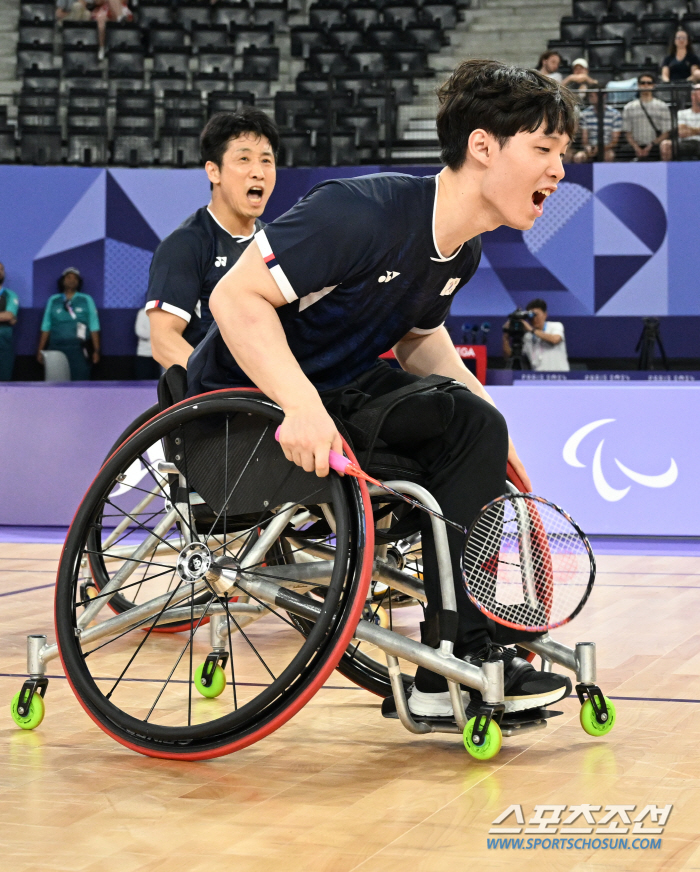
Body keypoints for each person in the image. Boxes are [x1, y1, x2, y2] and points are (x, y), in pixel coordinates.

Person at [189, 60, 577, 720]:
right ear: (483, 147)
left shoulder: (462, 251)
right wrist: (300, 406)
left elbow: (419, 341)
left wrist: (492, 422)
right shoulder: (358, 213)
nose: (558, 171)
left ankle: (453, 660)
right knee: (465, 425)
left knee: (473, 423)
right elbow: (235, 296)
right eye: (543, 149)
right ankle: (462, 656)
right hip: (243, 418)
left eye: (561, 155)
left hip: (335, 398)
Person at [146, 108, 279, 370]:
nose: (258, 172)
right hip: (215, 401)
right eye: (244, 159)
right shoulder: (185, 245)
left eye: (266, 160)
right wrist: (221, 388)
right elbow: (163, 340)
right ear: (213, 171)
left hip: (270, 397)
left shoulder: (276, 243)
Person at [37, 267, 100, 381]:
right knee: (54, 384)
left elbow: (94, 325)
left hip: (79, 350)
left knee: (80, 384)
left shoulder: (86, 299)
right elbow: (46, 326)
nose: (72, 280)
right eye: (68, 277)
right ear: (62, 281)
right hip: (56, 348)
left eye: (75, 278)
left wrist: (96, 350)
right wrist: (40, 350)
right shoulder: (53, 300)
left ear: (79, 282)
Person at [502, 299, 570, 371]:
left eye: (536, 315)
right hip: (537, 378)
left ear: (545, 314)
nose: (534, 318)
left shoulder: (555, 326)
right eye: (531, 316)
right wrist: (506, 336)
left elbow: (555, 339)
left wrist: (532, 330)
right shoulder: (527, 336)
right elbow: (508, 356)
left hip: (559, 377)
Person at [622, 74, 672, 161]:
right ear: (638, 85)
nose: (646, 85)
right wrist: (636, 147)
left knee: (665, 149)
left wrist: (651, 146)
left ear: (653, 85)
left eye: (649, 83)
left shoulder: (662, 106)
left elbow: (666, 132)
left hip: (655, 145)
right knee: (622, 152)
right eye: (642, 83)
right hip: (634, 145)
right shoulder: (629, 107)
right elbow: (627, 132)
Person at [573, 88, 622, 162]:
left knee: (609, 156)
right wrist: (587, 147)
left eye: (592, 96)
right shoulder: (585, 114)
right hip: (590, 147)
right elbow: (584, 138)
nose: (590, 98)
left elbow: (615, 140)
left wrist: (600, 149)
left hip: (607, 148)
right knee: (579, 157)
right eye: (589, 96)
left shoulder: (615, 114)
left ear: (603, 96)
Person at [0, 262, 19, 381]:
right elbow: (8, 318)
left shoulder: (10, 295)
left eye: (1, 269)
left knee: (4, 381)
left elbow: (9, 316)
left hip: (4, 345)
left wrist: (8, 317)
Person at [134, 306, 161, 379]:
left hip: (159, 354)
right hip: (144, 354)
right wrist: (155, 334)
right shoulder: (142, 312)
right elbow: (139, 331)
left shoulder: (162, 314)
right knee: (143, 380)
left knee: (158, 382)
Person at [677, 83, 700, 159]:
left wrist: (689, 129)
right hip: (686, 143)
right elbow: (682, 133)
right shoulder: (682, 113)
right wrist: (698, 130)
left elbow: (686, 131)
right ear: (693, 96)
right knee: (666, 145)